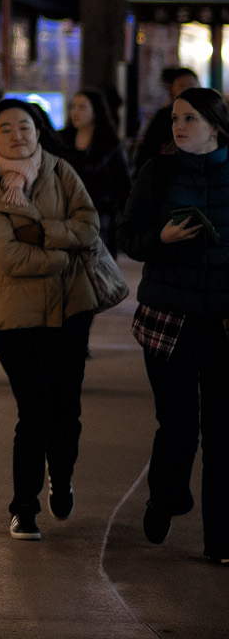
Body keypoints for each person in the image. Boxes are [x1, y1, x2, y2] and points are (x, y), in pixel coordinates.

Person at [0, 98, 99, 540]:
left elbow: (90, 225)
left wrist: (41, 233)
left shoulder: (61, 171)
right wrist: (61, 258)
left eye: (25, 126)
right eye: (6, 128)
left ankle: (61, 476)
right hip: (14, 315)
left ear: (39, 131)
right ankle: (24, 506)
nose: (17, 135)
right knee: (35, 410)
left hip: (69, 311)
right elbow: (3, 254)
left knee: (68, 410)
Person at [119, 85, 229, 560]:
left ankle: (221, 539)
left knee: (223, 432)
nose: (180, 128)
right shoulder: (158, 172)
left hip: (224, 323)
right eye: (175, 119)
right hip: (171, 319)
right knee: (178, 424)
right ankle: (166, 497)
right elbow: (128, 238)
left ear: (216, 126)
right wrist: (159, 237)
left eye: (190, 119)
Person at [49, 87, 131, 250]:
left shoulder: (109, 144)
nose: (75, 112)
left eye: (82, 107)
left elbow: (123, 184)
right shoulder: (60, 140)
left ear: (95, 111)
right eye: (73, 106)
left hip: (100, 215)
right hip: (65, 213)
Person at [134, 66, 202, 172]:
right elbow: (148, 151)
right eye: (182, 86)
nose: (188, 90)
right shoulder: (163, 117)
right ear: (173, 89)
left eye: (192, 85)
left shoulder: (207, 115)